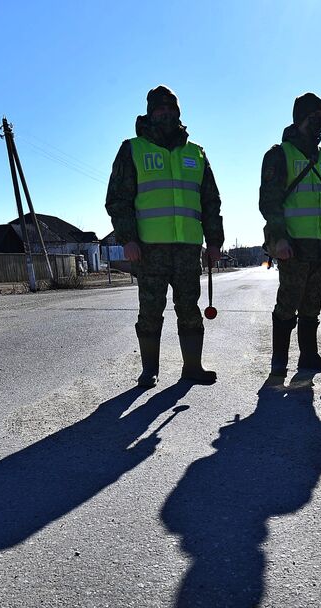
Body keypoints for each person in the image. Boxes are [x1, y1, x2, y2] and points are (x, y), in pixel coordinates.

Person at [105, 85, 225, 386]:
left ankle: (193, 368)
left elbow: (211, 201)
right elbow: (118, 200)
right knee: (150, 311)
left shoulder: (195, 153)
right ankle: (150, 370)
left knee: (189, 309)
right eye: (160, 109)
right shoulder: (132, 149)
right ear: (149, 112)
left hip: (187, 248)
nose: (166, 114)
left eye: (171, 109)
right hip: (148, 249)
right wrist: (128, 238)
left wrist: (214, 242)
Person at [258, 92, 321, 377]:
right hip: (292, 246)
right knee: (288, 303)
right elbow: (269, 203)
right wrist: (279, 238)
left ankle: (309, 357)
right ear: (299, 120)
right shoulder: (279, 155)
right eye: (313, 118)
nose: (319, 124)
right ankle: (279, 362)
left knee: (312, 305)